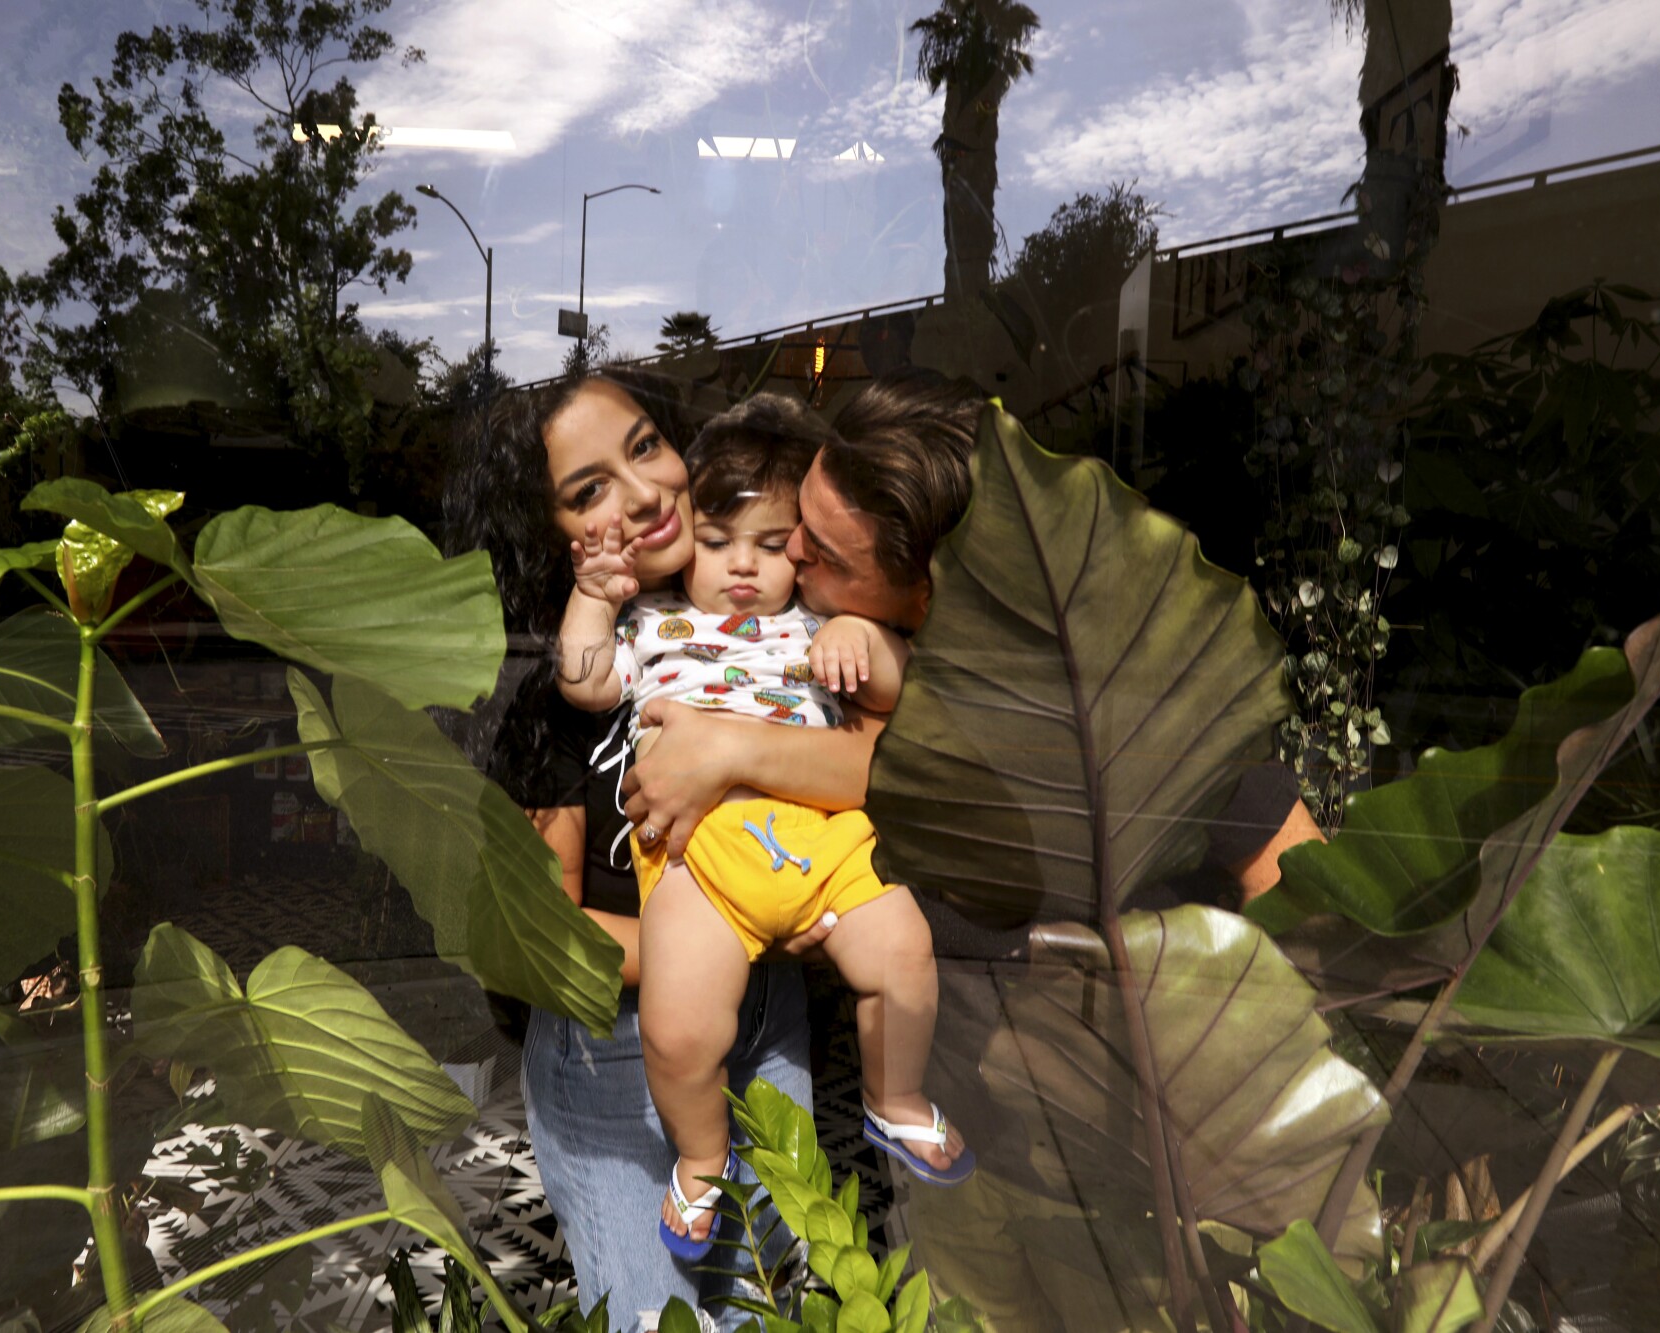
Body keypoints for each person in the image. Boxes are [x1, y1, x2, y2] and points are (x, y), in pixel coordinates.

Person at [620, 370, 1329, 1332]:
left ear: (928, 588)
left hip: (1129, 1178)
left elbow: (1311, 901)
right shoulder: (835, 653)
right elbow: (888, 766)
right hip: (957, 1151)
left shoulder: (1105, 698)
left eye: (821, 551)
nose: (786, 554)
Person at [444, 370, 878, 1332]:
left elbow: (875, 768)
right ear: (548, 533)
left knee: (771, 1299)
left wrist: (735, 750)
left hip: (770, 1019)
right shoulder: (554, 697)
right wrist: (721, 940)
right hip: (621, 1046)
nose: (640, 493)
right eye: (587, 489)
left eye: (646, 447)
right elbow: (540, 934)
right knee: (663, 1318)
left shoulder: (768, 625)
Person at [552, 396, 972, 1260]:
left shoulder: (817, 623)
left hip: (822, 847)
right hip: (702, 860)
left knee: (903, 955)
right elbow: (587, 683)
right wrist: (591, 601)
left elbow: (901, 691)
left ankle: (895, 1099)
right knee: (677, 1027)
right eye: (717, 542)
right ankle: (701, 1159)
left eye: (774, 546)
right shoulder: (655, 622)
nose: (744, 566)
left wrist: (867, 638)